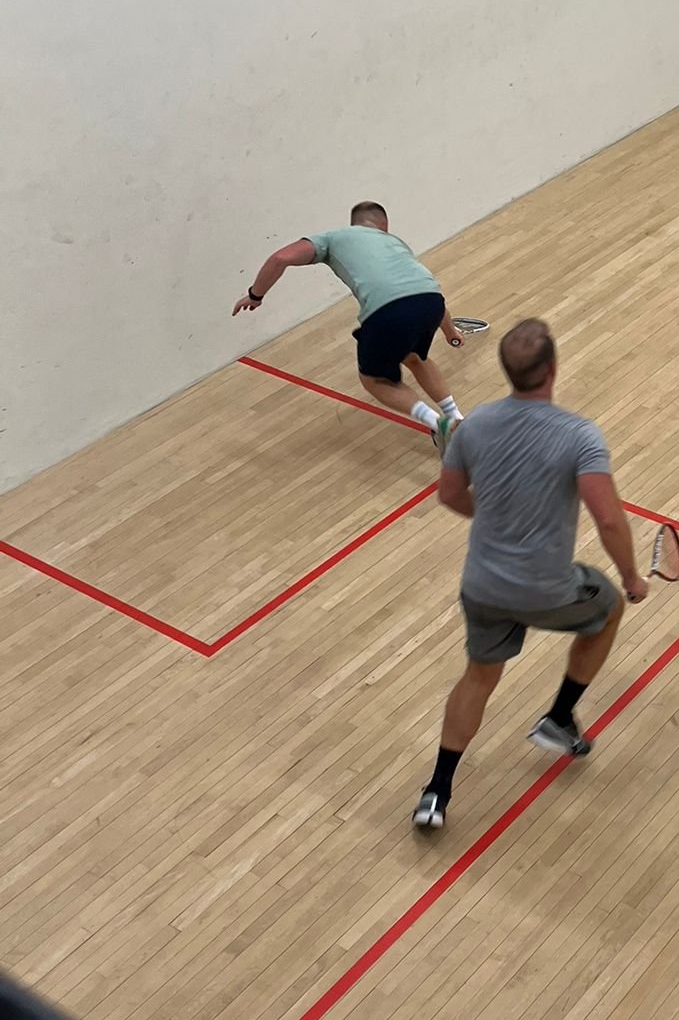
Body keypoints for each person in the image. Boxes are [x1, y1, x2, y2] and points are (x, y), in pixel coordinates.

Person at [412, 319, 647, 832]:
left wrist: (496, 519)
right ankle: (559, 718)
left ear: (507, 371)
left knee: (479, 677)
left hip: (482, 587)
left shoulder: (475, 424)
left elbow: (449, 495)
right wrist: (632, 577)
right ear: (553, 370)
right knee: (608, 608)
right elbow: (608, 519)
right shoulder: (579, 436)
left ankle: (436, 792)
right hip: (547, 589)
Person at [233, 202, 464, 452]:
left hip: (388, 312)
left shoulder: (331, 239)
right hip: (431, 302)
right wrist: (450, 332)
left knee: (374, 380)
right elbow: (423, 289)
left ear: (354, 223)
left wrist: (255, 296)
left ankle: (438, 423)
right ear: (384, 225)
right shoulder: (394, 242)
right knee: (415, 357)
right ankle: (457, 418)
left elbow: (280, 258)